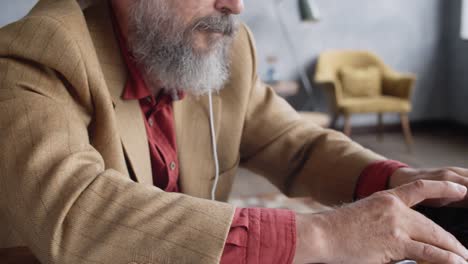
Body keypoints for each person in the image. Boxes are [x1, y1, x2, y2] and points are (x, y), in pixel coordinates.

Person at [0, 0, 467, 263]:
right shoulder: (42, 50)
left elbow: (293, 143)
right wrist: (321, 236)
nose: (236, 5)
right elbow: (73, 211)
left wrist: (395, 182)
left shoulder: (222, 43)